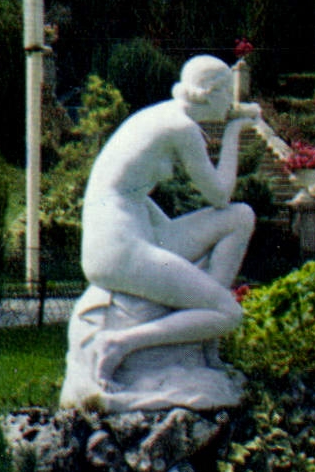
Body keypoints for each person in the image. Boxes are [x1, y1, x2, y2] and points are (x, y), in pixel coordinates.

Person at [79, 55, 259, 389]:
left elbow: (128, 192)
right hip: (119, 249)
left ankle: (204, 338)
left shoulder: (162, 115)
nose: (232, 103)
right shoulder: (181, 128)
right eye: (227, 94)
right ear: (209, 92)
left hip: (141, 234)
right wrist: (235, 132)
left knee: (241, 217)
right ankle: (119, 343)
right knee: (231, 314)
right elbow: (220, 195)